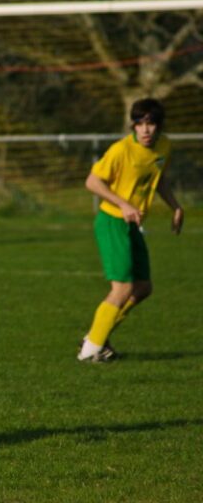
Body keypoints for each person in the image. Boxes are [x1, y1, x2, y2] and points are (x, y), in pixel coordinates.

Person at [78, 98, 184, 362]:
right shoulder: (121, 150)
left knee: (143, 287)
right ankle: (90, 351)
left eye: (151, 124)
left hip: (134, 224)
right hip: (113, 220)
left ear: (159, 126)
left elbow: (158, 180)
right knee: (123, 288)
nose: (146, 130)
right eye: (140, 124)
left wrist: (176, 207)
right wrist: (123, 204)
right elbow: (92, 181)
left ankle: (94, 339)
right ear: (134, 126)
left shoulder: (164, 146)